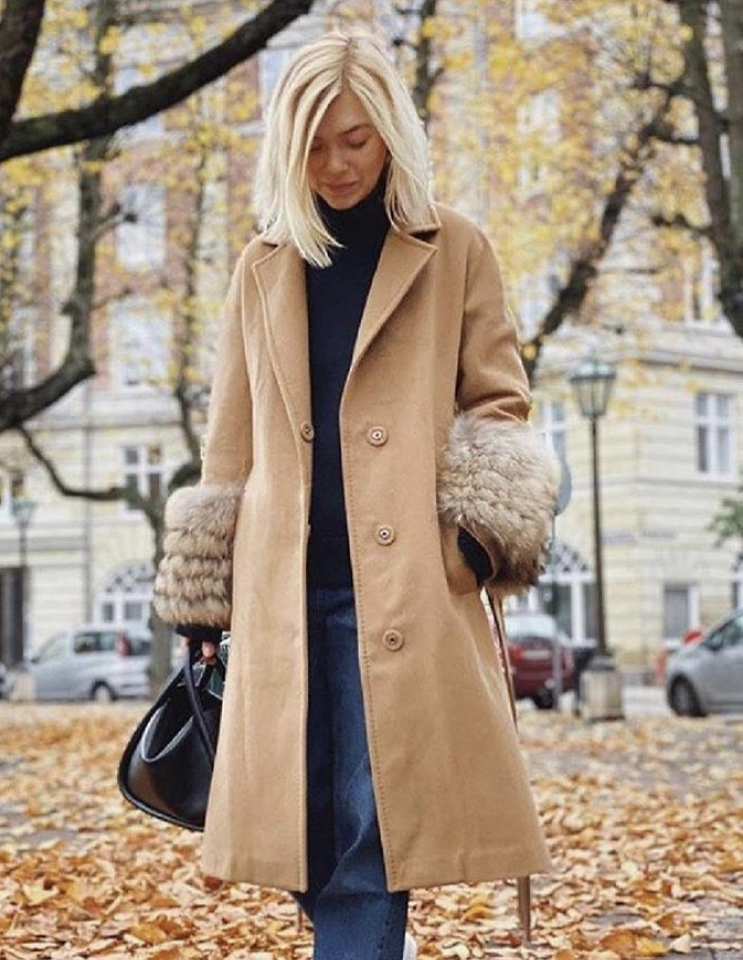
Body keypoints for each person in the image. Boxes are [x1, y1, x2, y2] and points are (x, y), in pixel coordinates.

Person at [153, 29, 560, 960]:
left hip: (406, 593)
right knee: (305, 848)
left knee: (365, 840)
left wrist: (471, 543)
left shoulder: (452, 247)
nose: (337, 164)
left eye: (357, 139)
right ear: (286, 148)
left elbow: (499, 403)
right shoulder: (262, 263)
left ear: (391, 135)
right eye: (315, 143)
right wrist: (204, 595)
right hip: (280, 597)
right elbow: (230, 438)